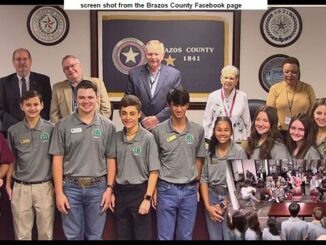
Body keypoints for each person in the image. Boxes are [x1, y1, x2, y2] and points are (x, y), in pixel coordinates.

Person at [49, 80, 117, 240]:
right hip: (70, 188)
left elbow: (111, 159)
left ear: (97, 98)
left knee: (95, 236)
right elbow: (57, 160)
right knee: (73, 236)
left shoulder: (108, 126)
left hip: (98, 189)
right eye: (82, 98)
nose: (86, 101)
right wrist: (59, 193)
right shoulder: (62, 125)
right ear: (75, 99)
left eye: (90, 97)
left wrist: (109, 188)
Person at [152, 88, 206, 240]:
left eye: (182, 105)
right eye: (175, 105)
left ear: (188, 105)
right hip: (166, 189)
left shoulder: (198, 130)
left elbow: (199, 159)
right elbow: (154, 163)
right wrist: (155, 190)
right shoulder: (158, 131)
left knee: (186, 236)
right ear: (169, 105)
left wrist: (196, 186)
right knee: (164, 237)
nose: (179, 109)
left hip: (189, 191)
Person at [5, 90, 54, 240]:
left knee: (46, 234)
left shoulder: (51, 128)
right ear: (22, 106)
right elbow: (11, 159)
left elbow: (56, 159)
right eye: (28, 105)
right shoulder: (13, 131)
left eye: (35, 104)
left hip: (44, 187)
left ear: (42, 106)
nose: (32, 108)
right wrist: (8, 184)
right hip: (21, 188)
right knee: (21, 234)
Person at [113, 95, 160, 240]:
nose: (128, 118)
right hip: (121, 193)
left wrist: (147, 197)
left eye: (132, 113)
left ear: (139, 114)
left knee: (142, 236)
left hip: (140, 192)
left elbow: (154, 171)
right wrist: (112, 190)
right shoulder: (115, 137)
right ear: (120, 114)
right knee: (123, 236)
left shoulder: (147, 138)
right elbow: (112, 166)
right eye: (124, 113)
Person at [200, 116, 247, 240]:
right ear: (214, 131)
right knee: (214, 237)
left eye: (226, 130)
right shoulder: (208, 152)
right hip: (212, 197)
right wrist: (208, 206)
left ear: (231, 131)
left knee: (230, 236)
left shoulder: (239, 152)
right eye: (219, 130)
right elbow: (203, 179)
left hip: (231, 198)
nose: (222, 133)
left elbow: (242, 182)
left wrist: (227, 202)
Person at [126, 40, 182, 131]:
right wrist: (143, 118)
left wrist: (157, 118)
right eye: (150, 54)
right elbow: (129, 100)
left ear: (163, 55)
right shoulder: (133, 74)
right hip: (140, 126)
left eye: (156, 54)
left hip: (165, 127)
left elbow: (177, 102)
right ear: (145, 55)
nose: (153, 57)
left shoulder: (174, 74)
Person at [0, 48, 52, 134]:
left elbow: (47, 106)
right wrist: (19, 126)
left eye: (25, 59)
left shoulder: (43, 80)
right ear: (13, 62)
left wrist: (36, 124)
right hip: (12, 131)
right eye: (18, 59)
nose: (22, 62)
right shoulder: (3, 83)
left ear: (30, 61)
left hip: (38, 130)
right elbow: (1, 109)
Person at [50, 55, 111, 124]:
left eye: (72, 65)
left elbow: (106, 110)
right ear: (64, 72)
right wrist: (63, 129)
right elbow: (54, 114)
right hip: (68, 131)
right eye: (66, 68)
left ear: (80, 67)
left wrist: (94, 125)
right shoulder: (57, 88)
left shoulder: (97, 83)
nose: (70, 69)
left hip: (94, 128)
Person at [266, 56, 316, 131]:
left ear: (298, 72)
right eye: (286, 72)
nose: (290, 74)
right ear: (282, 72)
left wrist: (306, 126)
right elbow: (270, 113)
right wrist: (278, 127)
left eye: (294, 72)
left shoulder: (307, 89)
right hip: (279, 131)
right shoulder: (274, 89)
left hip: (302, 131)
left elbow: (313, 111)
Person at [203, 65, 251, 142]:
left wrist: (249, 137)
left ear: (236, 81)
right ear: (221, 79)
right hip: (218, 139)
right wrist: (207, 140)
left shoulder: (242, 96)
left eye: (231, 78)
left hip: (238, 139)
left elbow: (247, 120)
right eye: (226, 77)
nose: (228, 81)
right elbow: (207, 121)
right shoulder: (213, 96)